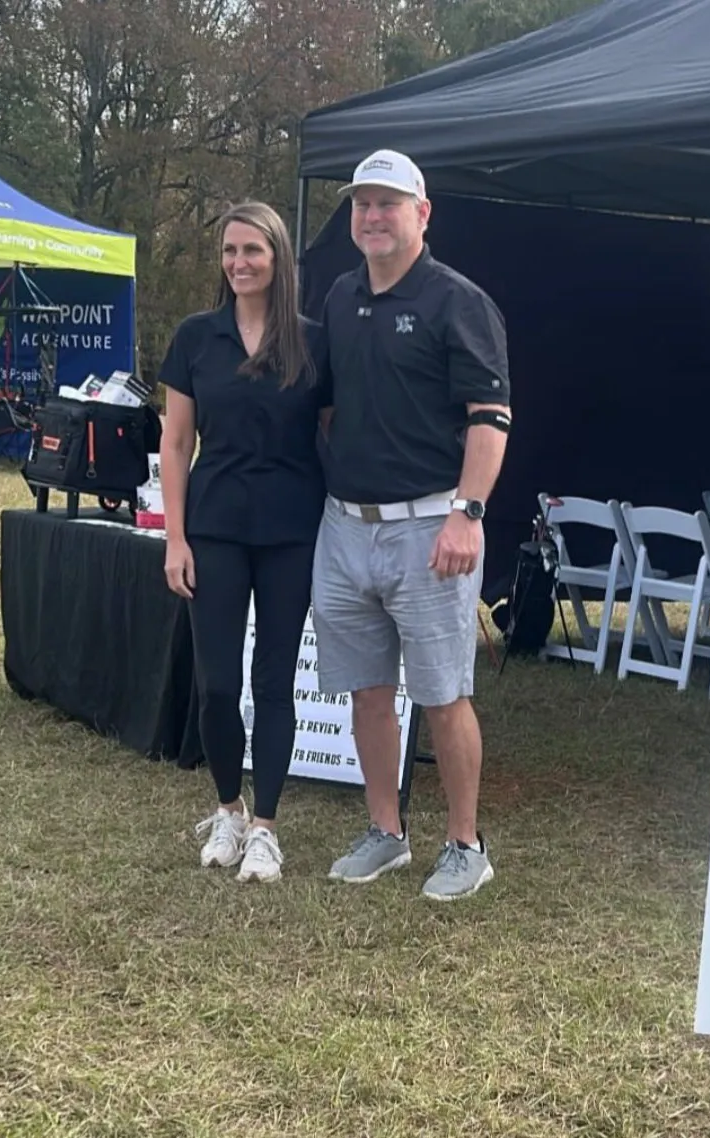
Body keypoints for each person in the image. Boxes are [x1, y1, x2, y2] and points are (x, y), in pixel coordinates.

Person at [312, 149, 511, 902]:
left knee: (441, 694)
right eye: (362, 204)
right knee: (366, 690)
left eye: (387, 204)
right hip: (346, 526)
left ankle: (465, 844)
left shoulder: (456, 300)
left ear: (421, 214)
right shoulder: (338, 295)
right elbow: (326, 403)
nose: (371, 216)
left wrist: (467, 512)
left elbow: (490, 419)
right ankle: (386, 833)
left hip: (432, 527)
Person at [157, 200, 325, 884]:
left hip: (291, 533)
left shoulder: (313, 343)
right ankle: (228, 808)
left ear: (278, 258)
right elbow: (174, 444)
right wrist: (175, 538)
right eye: (229, 251)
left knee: (274, 683)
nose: (238, 263)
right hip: (215, 529)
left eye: (252, 250)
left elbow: (337, 435)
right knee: (217, 685)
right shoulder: (197, 338)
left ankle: (266, 828)